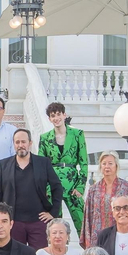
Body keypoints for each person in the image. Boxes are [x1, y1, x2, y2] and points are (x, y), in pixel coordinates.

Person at [0, 127, 63, 249]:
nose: (21, 145)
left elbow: (57, 187)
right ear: (14, 144)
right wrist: (0, 217)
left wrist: (53, 212)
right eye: (17, 142)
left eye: (23, 142)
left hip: (38, 222)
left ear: (30, 143)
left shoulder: (43, 163)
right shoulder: (3, 165)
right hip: (13, 222)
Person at [83, 151, 128, 248]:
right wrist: (88, 239)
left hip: (120, 232)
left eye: (110, 163)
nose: (107, 166)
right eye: (104, 164)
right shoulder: (93, 189)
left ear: (116, 166)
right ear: (100, 167)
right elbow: (88, 216)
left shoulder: (126, 186)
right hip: (99, 235)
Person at [39, 102, 89, 237]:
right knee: (55, 225)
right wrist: (45, 189)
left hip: (72, 185)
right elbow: (41, 165)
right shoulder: (44, 138)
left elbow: (84, 163)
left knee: (82, 224)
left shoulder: (77, 134)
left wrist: (80, 186)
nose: (56, 118)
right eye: (52, 116)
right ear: (49, 119)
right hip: (52, 186)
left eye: (58, 114)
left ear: (64, 115)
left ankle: (91, 253)